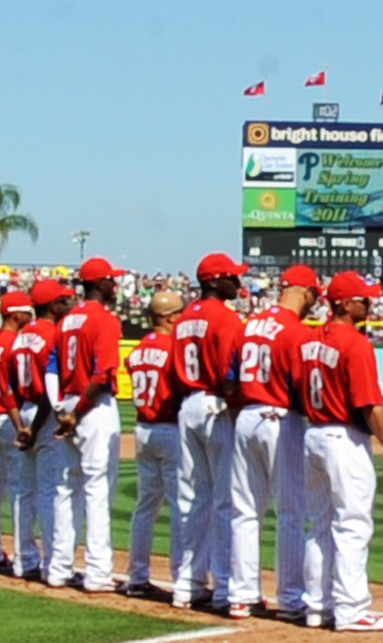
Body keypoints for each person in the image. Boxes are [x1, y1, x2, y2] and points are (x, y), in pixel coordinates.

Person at [300, 271, 383, 632]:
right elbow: (371, 403)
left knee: (320, 523)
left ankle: (316, 605)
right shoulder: (356, 344)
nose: (369, 303)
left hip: (314, 435)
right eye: (363, 298)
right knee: (353, 523)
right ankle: (351, 608)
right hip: (344, 438)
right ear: (344, 304)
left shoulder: (310, 340)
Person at [225, 264, 319, 620]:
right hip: (281, 417)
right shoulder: (298, 332)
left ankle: (242, 595)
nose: (314, 302)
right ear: (305, 292)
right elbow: (302, 388)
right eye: (314, 296)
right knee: (291, 512)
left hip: (247, 415)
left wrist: (242, 417)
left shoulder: (248, 325)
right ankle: (291, 598)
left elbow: (229, 382)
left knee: (245, 511)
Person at [171, 252, 247, 610]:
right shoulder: (226, 318)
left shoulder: (184, 318)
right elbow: (230, 373)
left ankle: (187, 583)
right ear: (213, 281)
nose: (238, 283)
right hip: (216, 404)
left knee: (193, 498)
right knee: (225, 498)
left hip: (188, 405)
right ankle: (226, 586)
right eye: (232, 277)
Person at [46, 257, 124, 591]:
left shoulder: (66, 321)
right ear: (98, 284)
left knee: (66, 489)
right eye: (111, 280)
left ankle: (59, 567)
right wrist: (77, 412)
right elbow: (103, 373)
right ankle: (97, 572)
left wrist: (59, 409)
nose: (115, 285)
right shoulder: (103, 319)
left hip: (65, 400)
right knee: (97, 489)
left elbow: (51, 368)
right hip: (92, 408)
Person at [7, 278, 73, 580]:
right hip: (43, 415)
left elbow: (8, 386)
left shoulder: (20, 337)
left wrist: (20, 424)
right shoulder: (52, 334)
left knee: (22, 491)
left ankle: (23, 560)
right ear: (51, 305)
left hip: (24, 410)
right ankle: (52, 564)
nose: (68, 305)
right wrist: (33, 428)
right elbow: (50, 388)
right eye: (63, 301)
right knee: (50, 489)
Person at [124, 290, 185, 597]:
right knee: (179, 505)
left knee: (146, 506)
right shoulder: (173, 347)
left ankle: (136, 576)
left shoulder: (136, 351)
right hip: (169, 428)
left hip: (143, 428)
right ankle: (182, 579)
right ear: (170, 317)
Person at [0, 290, 36, 573]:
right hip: (6, 418)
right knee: (18, 489)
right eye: (27, 311)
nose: (31, 316)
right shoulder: (13, 343)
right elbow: (8, 388)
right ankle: (21, 555)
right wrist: (20, 427)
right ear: (15, 314)